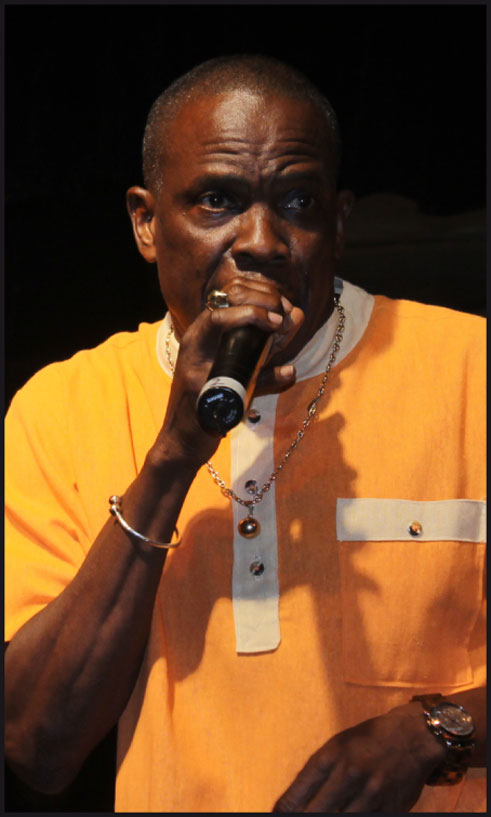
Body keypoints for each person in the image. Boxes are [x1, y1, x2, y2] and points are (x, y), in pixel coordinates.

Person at [5, 55, 485, 813]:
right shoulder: (59, 407)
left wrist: (432, 731)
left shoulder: (472, 370)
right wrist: (173, 455)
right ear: (145, 223)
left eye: (298, 201)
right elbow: (38, 744)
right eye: (217, 200)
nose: (261, 239)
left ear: (339, 222)